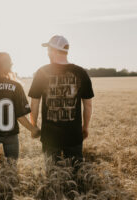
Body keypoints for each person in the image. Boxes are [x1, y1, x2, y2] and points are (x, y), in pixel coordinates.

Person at [28, 35, 94, 164]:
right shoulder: (81, 72)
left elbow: (34, 104)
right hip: (74, 135)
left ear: (53, 50)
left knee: (52, 175)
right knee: (77, 173)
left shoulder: (42, 72)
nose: (47, 53)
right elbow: (88, 106)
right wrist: (85, 127)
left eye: (48, 50)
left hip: (50, 137)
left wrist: (33, 126)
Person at [0, 52, 40, 166]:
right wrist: (33, 129)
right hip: (10, 136)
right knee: (12, 168)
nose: (12, 65)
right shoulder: (15, 86)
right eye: (10, 63)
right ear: (4, 65)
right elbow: (20, 116)